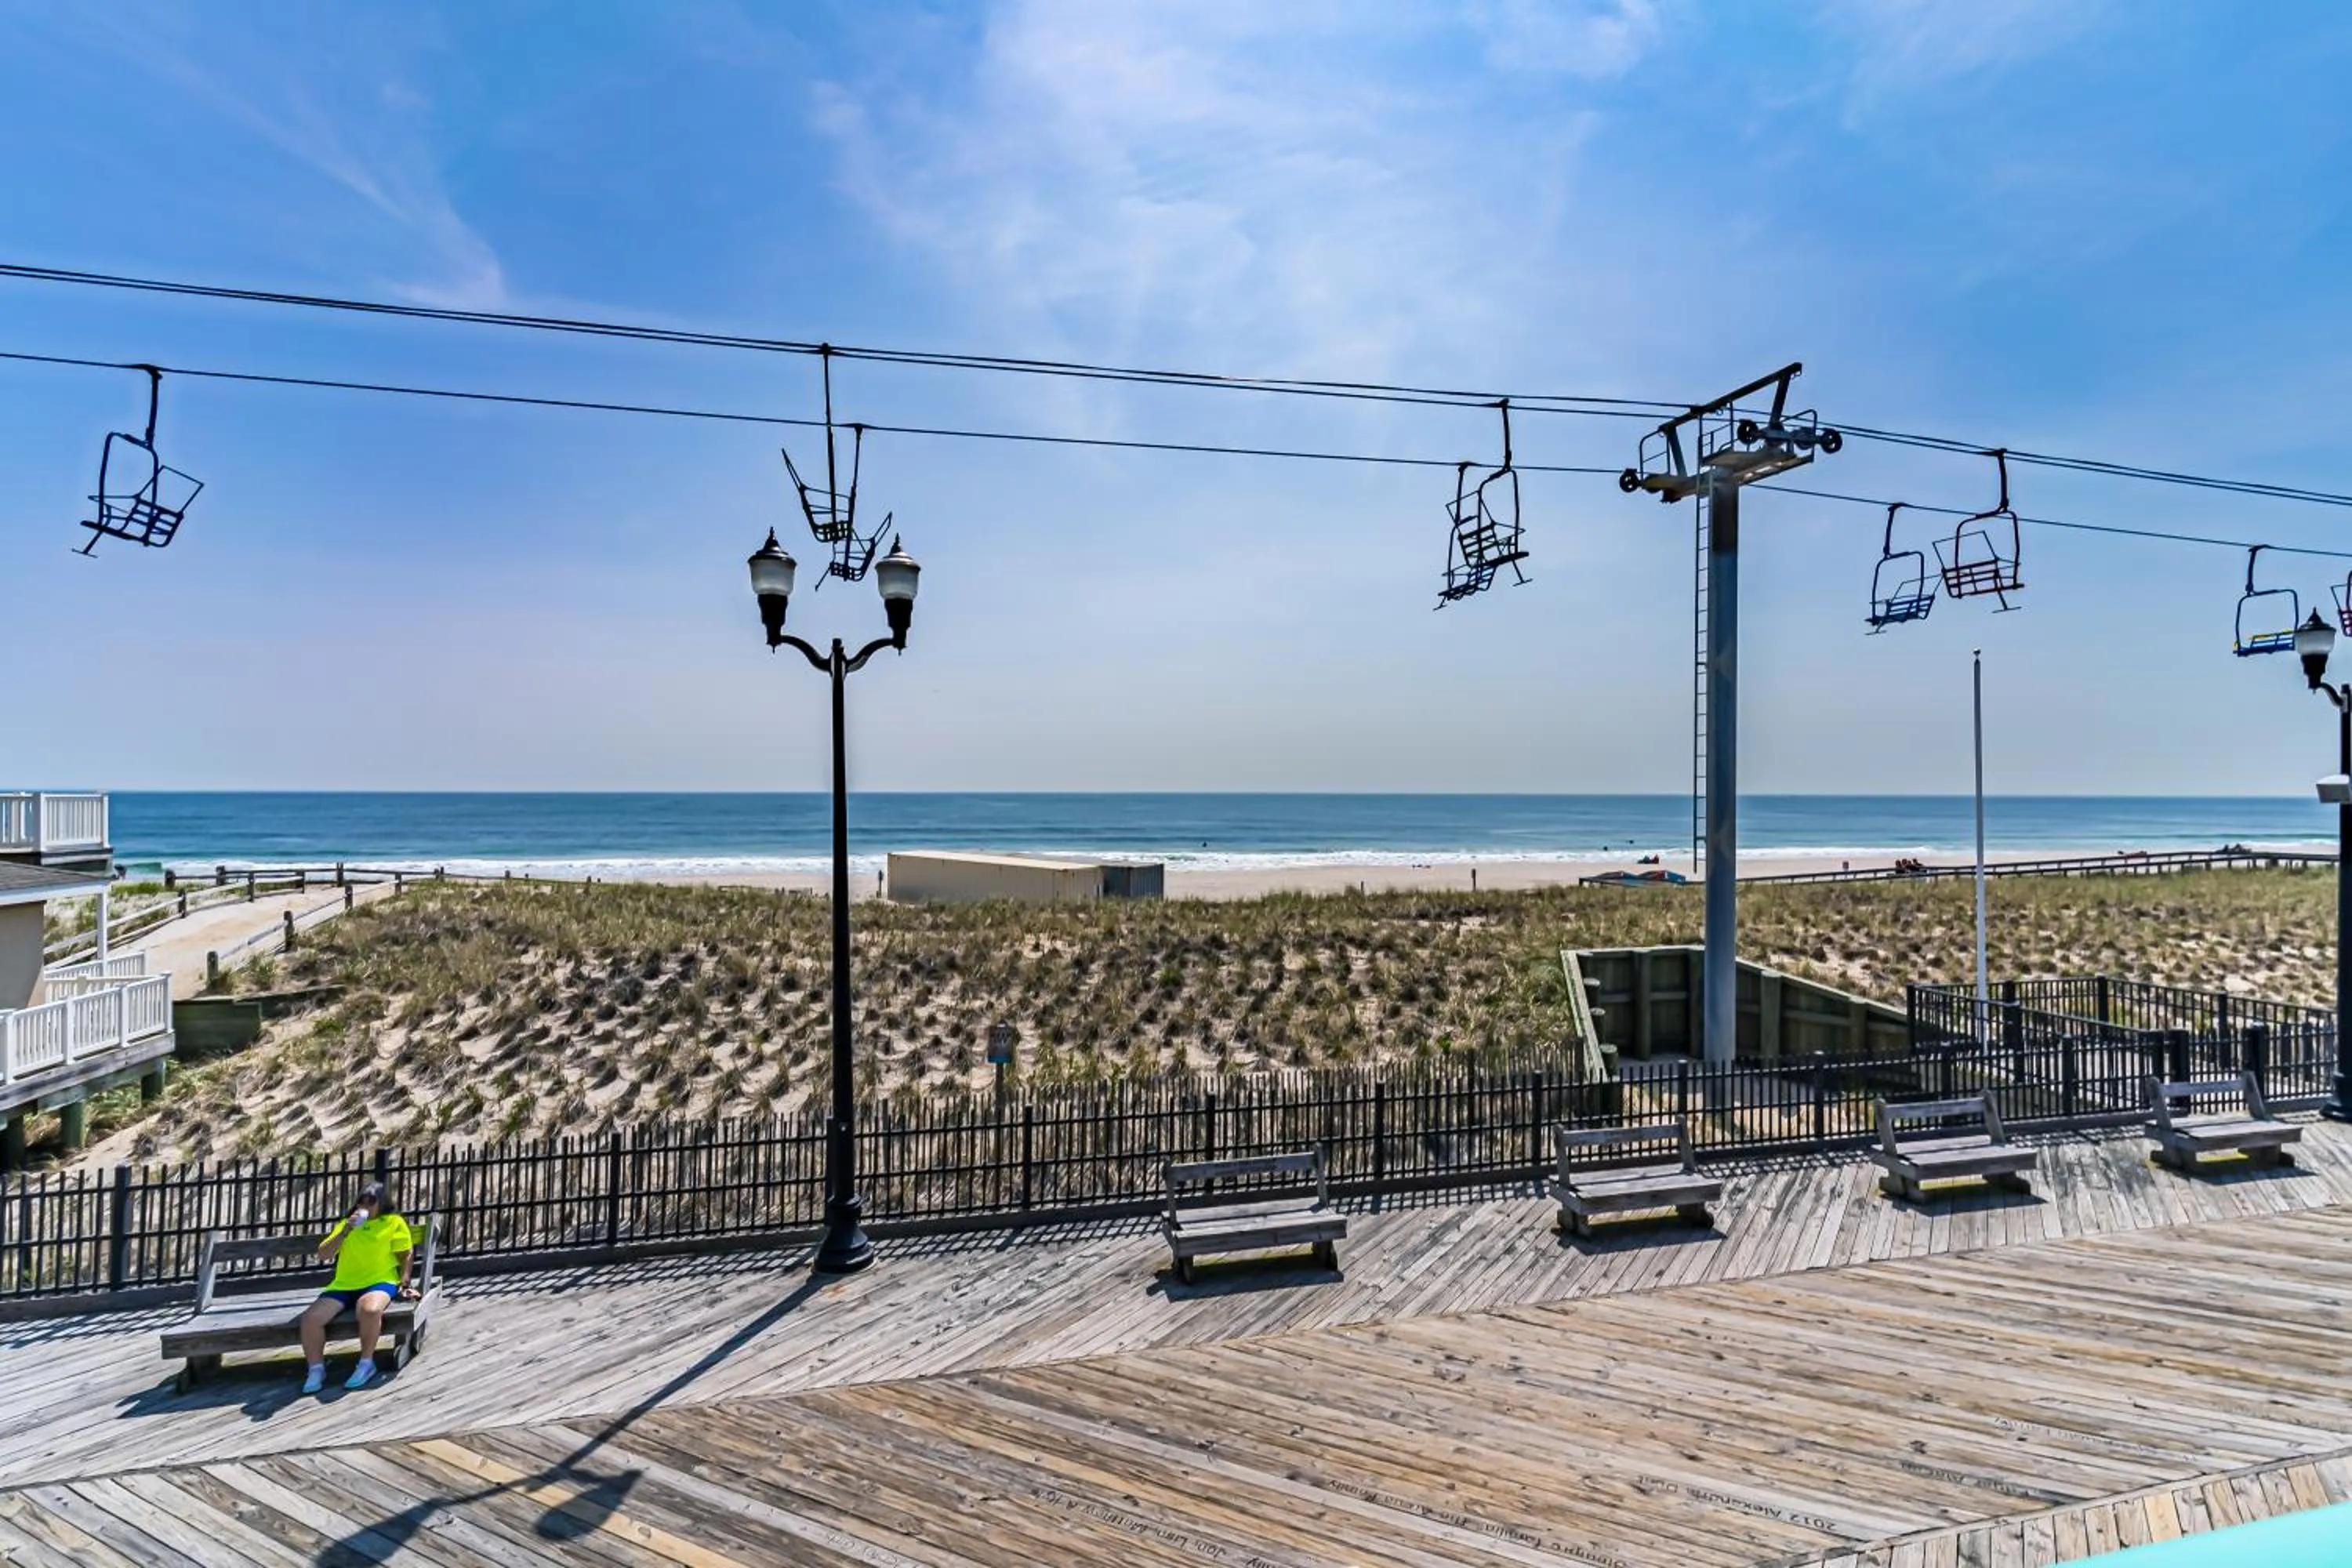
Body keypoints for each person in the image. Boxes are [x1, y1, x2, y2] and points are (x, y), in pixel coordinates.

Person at [297, 1181, 418, 1392]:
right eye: (362, 1201)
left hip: (380, 1281)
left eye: (372, 1202)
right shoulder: (347, 1224)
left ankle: (366, 1363)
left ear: (382, 1203)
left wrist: (404, 1282)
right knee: (310, 1319)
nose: (366, 1206)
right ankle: (316, 1368)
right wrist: (345, 1231)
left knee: (370, 1310)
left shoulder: (393, 1222)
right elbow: (324, 1254)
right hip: (344, 1284)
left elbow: (405, 1254)